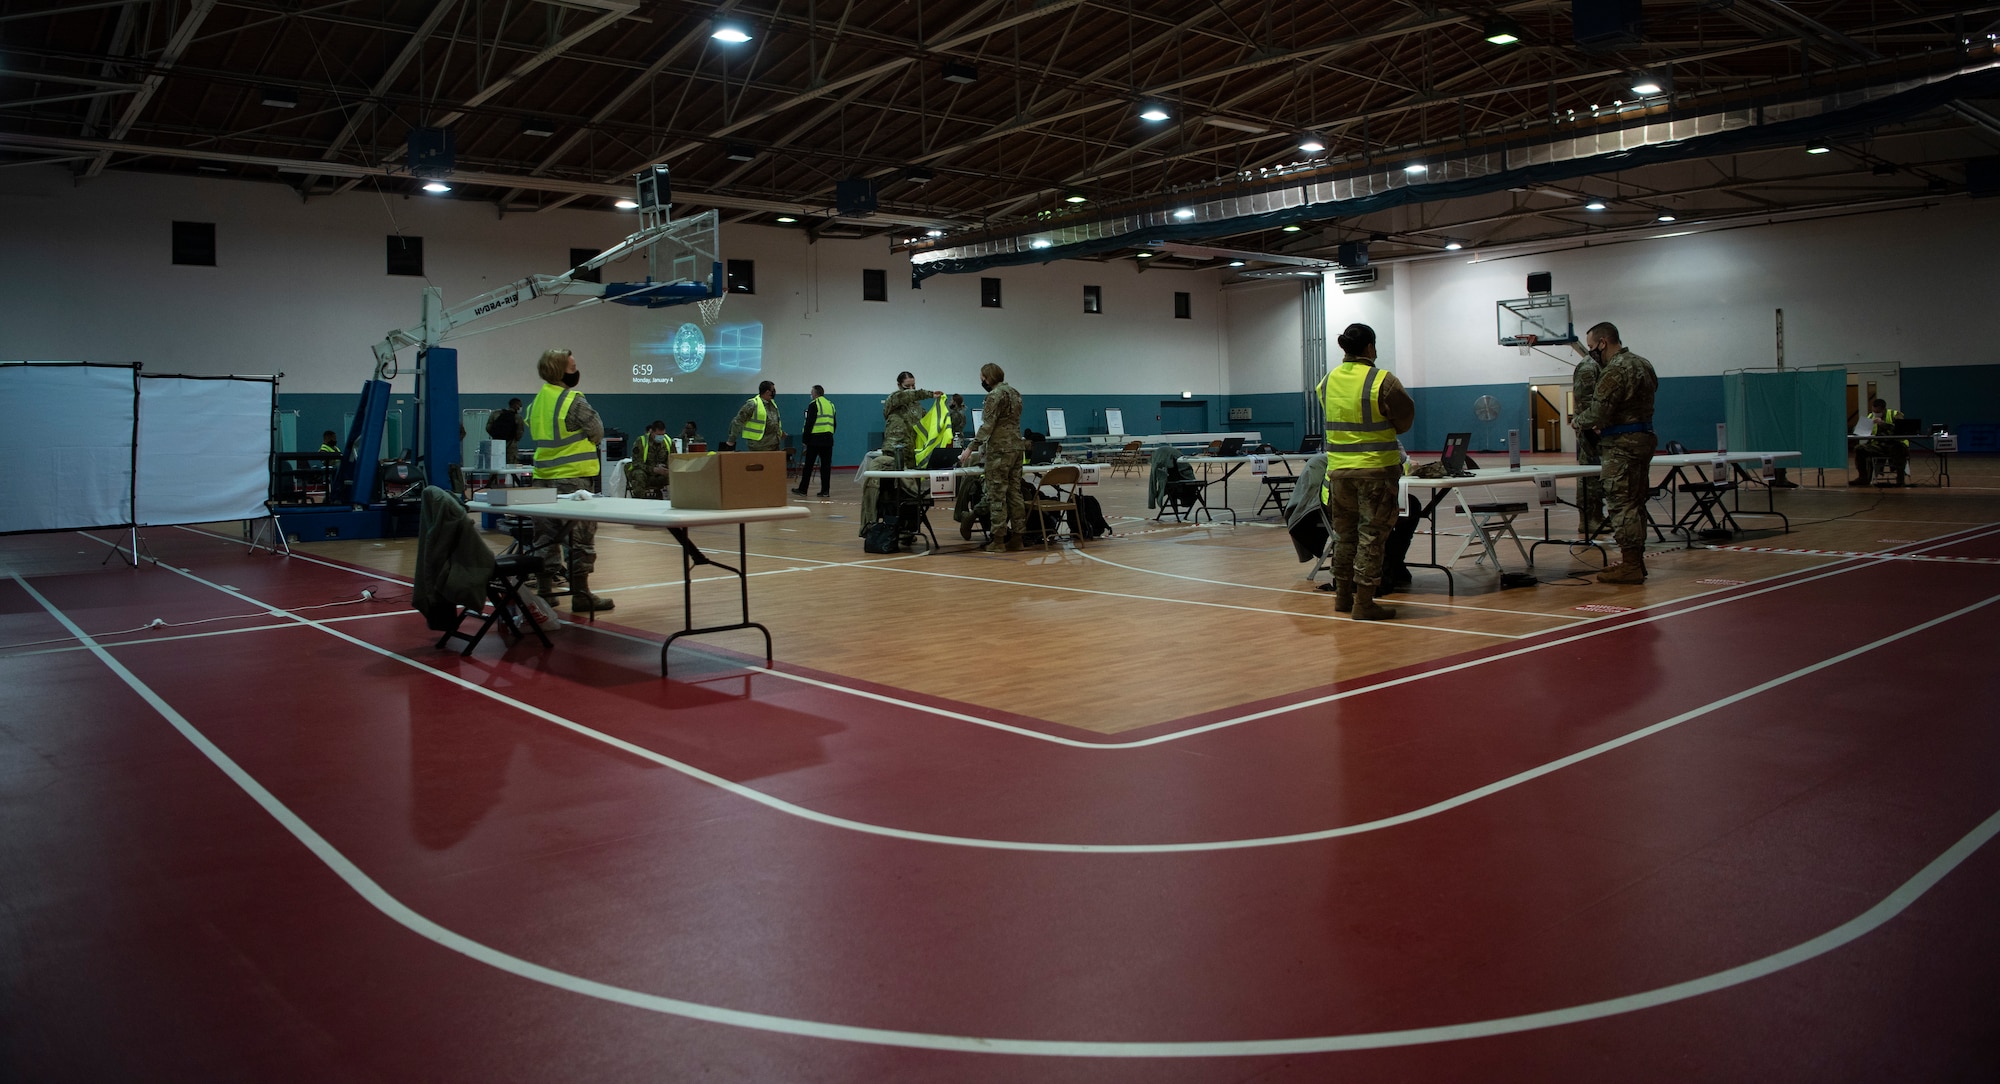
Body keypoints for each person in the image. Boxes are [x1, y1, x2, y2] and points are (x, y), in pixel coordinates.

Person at [1318, 323, 1415, 620]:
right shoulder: (1381, 380)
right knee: (1371, 538)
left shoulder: (1327, 381)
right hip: (1375, 473)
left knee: (1344, 537)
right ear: (1371, 347)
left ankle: (1343, 597)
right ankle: (1364, 603)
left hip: (1338, 474)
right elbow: (1405, 420)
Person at [526, 348, 615, 613]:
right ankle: (581, 593)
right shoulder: (572, 400)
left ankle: (545, 592)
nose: (576, 371)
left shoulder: (536, 402)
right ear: (560, 371)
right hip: (572, 482)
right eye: (573, 367)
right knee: (580, 538)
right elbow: (597, 430)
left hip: (541, 480)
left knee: (544, 537)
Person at [1571, 321, 1659, 584]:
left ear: (1603, 342)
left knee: (1622, 505)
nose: (1590, 352)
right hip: (1644, 438)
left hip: (1620, 444)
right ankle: (1637, 561)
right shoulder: (1644, 364)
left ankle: (1631, 564)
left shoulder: (1614, 370)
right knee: (1637, 502)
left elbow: (1598, 412)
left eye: (1591, 347)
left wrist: (1579, 420)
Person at [963, 363, 1025, 552]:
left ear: (988, 378)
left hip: (1000, 450)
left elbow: (988, 425)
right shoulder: (1015, 393)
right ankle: (1018, 538)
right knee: (1015, 493)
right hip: (1016, 447)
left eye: (982, 378)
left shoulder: (994, 395)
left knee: (997, 494)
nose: (981, 381)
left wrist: (970, 448)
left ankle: (998, 541)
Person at [1569, 341, 1606, 537]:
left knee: (1598, 476)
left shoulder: (1600, 365)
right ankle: (1588, 519)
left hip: (1599, 428)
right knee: (1589, 476)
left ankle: (1597, 517)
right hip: (1590, 430)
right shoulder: (1588, 366)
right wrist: (1593, 426)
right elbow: (1585, 401)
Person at [881, 371, 943, 468]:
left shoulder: (916, 405)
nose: (911, 389)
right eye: (907, 386)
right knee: (893, 480)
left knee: (912, 481)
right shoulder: (894, 398)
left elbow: (927, 420)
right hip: (894, 449)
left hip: (911, 450)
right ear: (899, 385)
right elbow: (908, 395)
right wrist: (930, 394)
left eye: (913, 385)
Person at [1851, 397, 1908, 486]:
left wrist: (1884, 424)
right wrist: (1861, 428)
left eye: (1878, 412)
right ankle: (1863, 478)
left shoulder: (1895, 414)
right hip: (1878, 446)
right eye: (1874, 411)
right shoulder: (1870, 416)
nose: (1875, 414)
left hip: (1894, 444)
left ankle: (1900, 480)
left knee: (1898, 449)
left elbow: (1902, 429)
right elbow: (1858, 429)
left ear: (1883, 410)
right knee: (1859, 449)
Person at [795, 384, 836, 497]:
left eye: (811, 392)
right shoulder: (831, 405)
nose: (811, 394)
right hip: (828, 439)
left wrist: (805, 439)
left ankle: (803, 489)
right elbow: (834, 423)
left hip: (815, 440)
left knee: (808, 466)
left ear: (815, 393)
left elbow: (809, 423)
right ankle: (825, 491)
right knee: (825, 467)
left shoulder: (814, 404)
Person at [626, 419, 672, 499]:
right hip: (646, 473)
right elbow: (636, 463)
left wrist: (668, 469)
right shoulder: (641, 441)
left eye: (663, 434)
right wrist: (653, 469)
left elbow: (673, 459)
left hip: (661, 473)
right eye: (658, 434)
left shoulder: (668, 441)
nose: (661, 437)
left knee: (676, 475)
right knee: (638, 474)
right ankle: (641, 501)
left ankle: (675, 500)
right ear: (652, 432)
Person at [485, 398, 524, 464]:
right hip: (511, 445)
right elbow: (519, 433)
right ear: (517, 406)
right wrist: (514, 439)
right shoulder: (518, 418)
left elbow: (488, 428)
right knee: (511, 466)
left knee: (495, 464)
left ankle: (494, 474)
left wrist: (496, 436)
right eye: (520, 405)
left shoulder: (496, 414)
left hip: (496, 444)